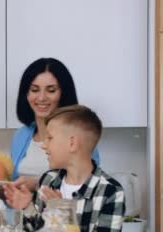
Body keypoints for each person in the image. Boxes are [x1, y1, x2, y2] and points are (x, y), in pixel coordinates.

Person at [4, 105, 125, 232]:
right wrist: (27, 207)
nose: (43, 145)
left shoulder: (110, 191)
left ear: (72, 143)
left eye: (49, 138)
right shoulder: (48, 180)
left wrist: (65, 220)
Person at [10, 58, 100, 192]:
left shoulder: (79, 134)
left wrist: (38, 185)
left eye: (51, 90)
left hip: (61, 213)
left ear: (63, 93)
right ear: (26, 94)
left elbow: (89, 190)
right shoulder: (21, 136)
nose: (41, 98)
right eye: (34, 90)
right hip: (23, 213)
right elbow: (11, 197)